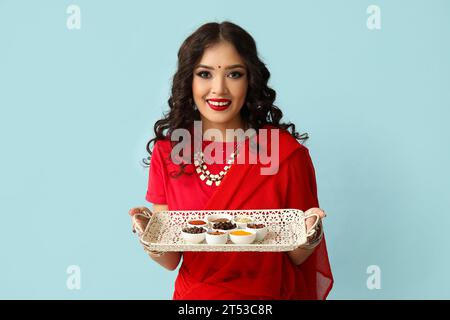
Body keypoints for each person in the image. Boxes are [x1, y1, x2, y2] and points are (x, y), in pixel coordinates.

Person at [129, 21, 334, 300]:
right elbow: (170, 260)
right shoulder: (169, 153)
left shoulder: (284, 153)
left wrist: (310, 237)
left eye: (234, 74)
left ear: (250, 81)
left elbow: (297, 257)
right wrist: (148, 237)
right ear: (188, 80)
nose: (219, 89)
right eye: (205, 74)